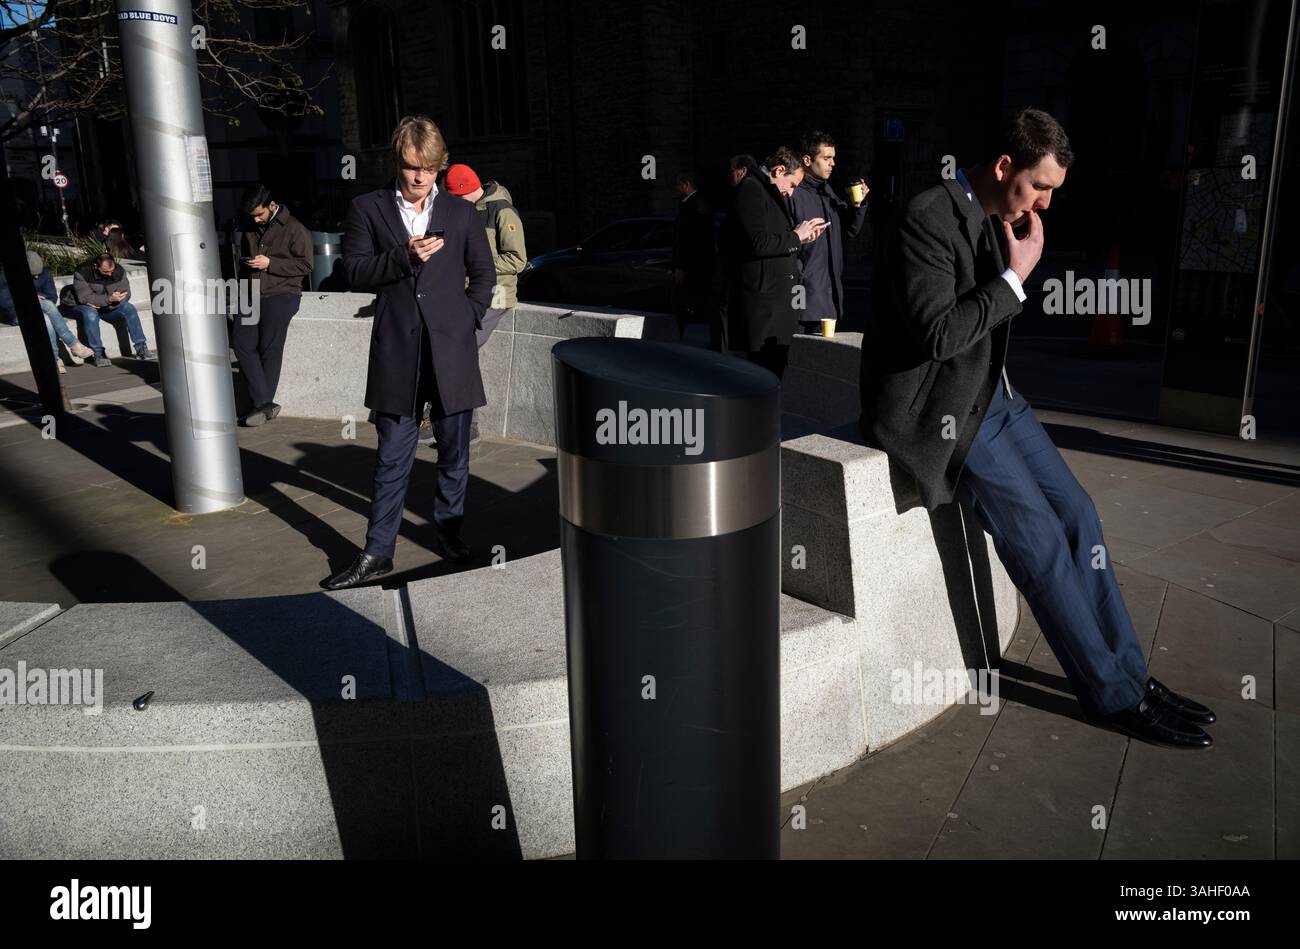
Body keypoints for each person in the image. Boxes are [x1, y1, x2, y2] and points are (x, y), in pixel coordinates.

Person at [859, 107, 1215, 749]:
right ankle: (1112, 697)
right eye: (1041, 185)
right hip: (944, 410)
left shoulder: (1001, 214)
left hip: (994, 398)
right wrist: (1017, 276)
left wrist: (1010, 273)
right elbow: (938, 336)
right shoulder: (928, 218)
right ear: (1004, 166)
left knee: (1080, 515)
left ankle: (1131, 673)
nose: (1047, 202)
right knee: (1041, 543)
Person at [323, 115, 495, 590]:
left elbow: (484, 274)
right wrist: (403, 255)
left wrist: (468, 317)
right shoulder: (367, 208)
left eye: (428, 169)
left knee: (454, 452)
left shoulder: (461, 213)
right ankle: (378, 552)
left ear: (440, 166)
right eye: (410, 167)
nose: (419, 177)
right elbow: (353, 271)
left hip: (452, 353)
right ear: (396, 162)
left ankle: (449, 533)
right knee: (392, 457)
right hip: (397, 353)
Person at [429, 162, 528, 446]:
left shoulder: (501, 211)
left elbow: (517, 259)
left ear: (468, 191)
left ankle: (468, 426)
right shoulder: (462, 211)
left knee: (462, 349)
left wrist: (475, 263)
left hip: (496, 295)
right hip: (465, 294)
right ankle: (444, 420)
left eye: (455, 197)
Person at [725, 145, 827, 378]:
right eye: (792, 185)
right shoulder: (751, 189)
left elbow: (769, 238)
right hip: (765, 304)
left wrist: (800, 237)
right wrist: (795, 236)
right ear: (779, 170)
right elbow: (757, 243)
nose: (791, 193)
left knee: (773, 369)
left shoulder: (763, 189)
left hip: (775, 302)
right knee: (764, 372)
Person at [234, 184, 313, 426]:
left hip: (283, 293)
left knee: (270, 347)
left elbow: (306, 265)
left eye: (259, 214)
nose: (256, 219)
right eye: (252, 216)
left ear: (272, 205)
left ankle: (260, 404)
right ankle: (264, 404)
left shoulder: (294, 228)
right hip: (251, 293)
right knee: (241, 344)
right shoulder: (248, 227)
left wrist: (271, 263)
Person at [791, 131, 870, 334]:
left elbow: (849, 231)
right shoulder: (793, 193)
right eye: (826, 158)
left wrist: (857, 205)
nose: (832, 164)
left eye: (833, 158)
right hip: (804, 297)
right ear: (807, 160)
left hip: (829, 296)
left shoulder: (827, 192)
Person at [1, 253, 96, 372]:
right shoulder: (7, 276)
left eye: (38, 274)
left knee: (46, 318)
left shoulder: (45, 273)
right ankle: (73, 344)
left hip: (42, 309)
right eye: (33, 274)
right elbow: (4, 302)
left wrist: (37, 298)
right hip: (17, 313)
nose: (36, 277)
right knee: (46, 308)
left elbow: (52, 296)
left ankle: (54, 360)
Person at [68, 252, 154, 366]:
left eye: (111, 271)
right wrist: (109, 299)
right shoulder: (82, 272)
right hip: (84, 307)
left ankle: (141, 348)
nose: (109, 274)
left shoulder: (119, 271)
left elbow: (125, 294)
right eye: (105, 271)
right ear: (96, 266)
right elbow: (84, 298)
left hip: (109, 307)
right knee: (91, 314)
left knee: (129, 308)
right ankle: (98, 354)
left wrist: (110, 302)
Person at [670, 170, 716, 340]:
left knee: (682, 303)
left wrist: (679, 265)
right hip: (699, 264)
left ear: (686, 184)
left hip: (691, 265)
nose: (676, 190)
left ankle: (686, 336)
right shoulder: (699, 204)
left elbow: (685, 239)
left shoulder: (692, 206)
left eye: (678, 186)